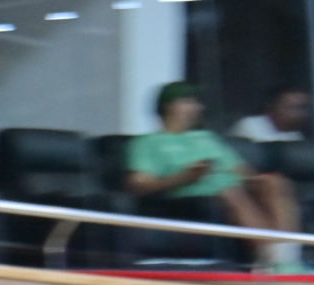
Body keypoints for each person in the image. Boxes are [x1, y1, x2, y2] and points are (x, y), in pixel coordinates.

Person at [127, 82, 301, 271]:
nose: (199, 107)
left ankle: (286, 258)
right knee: (230, 192)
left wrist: (260, 181)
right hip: (189, 194)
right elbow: (139, 184)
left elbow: (243, 172)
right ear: (171, 106)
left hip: (231, 186)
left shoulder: (207, 137)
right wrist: (184, 176)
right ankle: (275, 262)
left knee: (274, 183)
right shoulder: (147, 143)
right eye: (191, 102)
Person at [232, 87, 311, 144]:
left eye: (304, 108)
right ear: (274, 107)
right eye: (294, 108)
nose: (301, 113)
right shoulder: (249, 126)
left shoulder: (296, 136)